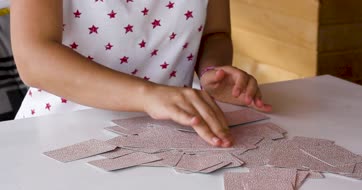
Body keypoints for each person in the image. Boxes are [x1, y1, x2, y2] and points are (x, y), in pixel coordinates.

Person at [10, 0, 272, 147]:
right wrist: (148, 96)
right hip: (58, 138)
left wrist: (211, 71)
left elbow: (216, 34)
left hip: (173, 138)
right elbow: (33, 59)